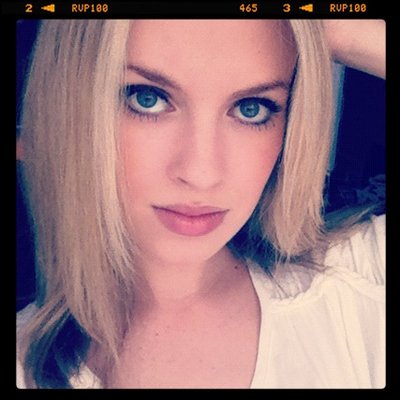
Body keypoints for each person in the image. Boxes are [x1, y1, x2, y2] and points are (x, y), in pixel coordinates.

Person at [16, 19, 385, 389]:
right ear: (70, 105)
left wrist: (332, 29)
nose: (201, 174)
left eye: (251, 108)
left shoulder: (361, 286)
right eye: (147, 98)